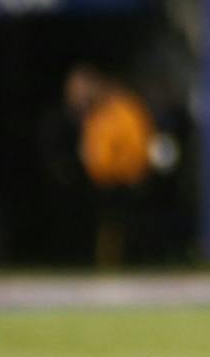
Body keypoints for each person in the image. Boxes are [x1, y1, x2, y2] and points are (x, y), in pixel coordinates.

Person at [65, 65, 155, 267]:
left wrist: (123, 172)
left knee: (118, 222)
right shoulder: (93, 115)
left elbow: (135, 149)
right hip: (100, 180)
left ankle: (119, 261)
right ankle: (101, 260)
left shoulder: (124, 112)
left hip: (121, 180)